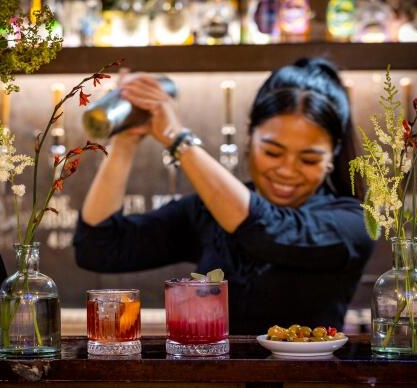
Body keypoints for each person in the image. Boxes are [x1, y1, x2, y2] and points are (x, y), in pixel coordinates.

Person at [74, 58, 375, 334]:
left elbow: (266, 230)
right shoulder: (212, 209)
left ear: (333, 155)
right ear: (249, 136)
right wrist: (126, 139)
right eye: (272, 152)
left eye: (308, 159)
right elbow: (99, 247)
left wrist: (178, 139)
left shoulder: (352, 222)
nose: (287, 170)